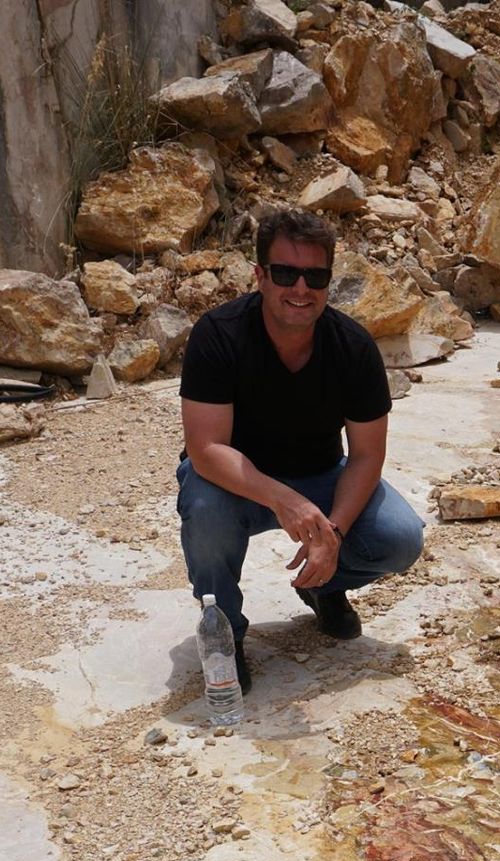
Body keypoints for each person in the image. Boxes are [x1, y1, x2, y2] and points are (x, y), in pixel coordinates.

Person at [174, 208, 425, 692]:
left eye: (315, 275)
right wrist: (283, 500)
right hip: (234, 482)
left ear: (330, 280)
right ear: (260, 276)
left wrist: (332, 533)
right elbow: (205, 449)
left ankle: (324, 587)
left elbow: (368, 455)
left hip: (320, 475)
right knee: (205, 512)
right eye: (285, 273)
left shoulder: (352, 347)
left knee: (400, 536)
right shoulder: (218, 335)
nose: (300, 289)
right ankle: (223, 633)